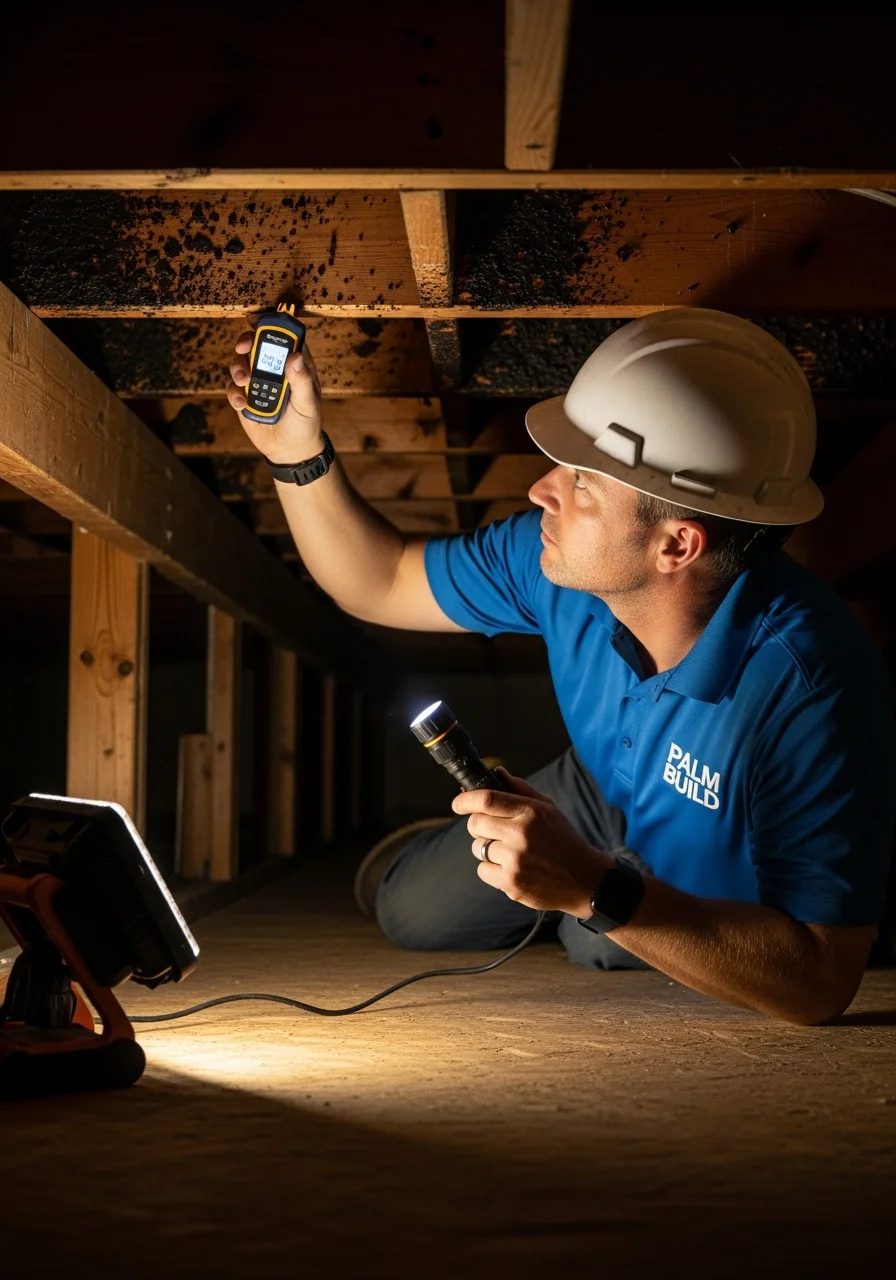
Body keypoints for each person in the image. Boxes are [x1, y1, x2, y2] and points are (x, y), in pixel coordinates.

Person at [227, 308, 895, 1026]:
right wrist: (295, 455)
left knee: (599, 939)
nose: (542, 491)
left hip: (725, 837)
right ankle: (560, 875)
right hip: (604, 779)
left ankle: (579, 891)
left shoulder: (809, 687)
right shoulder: (562, 563)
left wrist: (590, 890)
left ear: (677, 546)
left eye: (583, 484)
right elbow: (381, 580)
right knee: (412, 910)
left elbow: (820, 981)